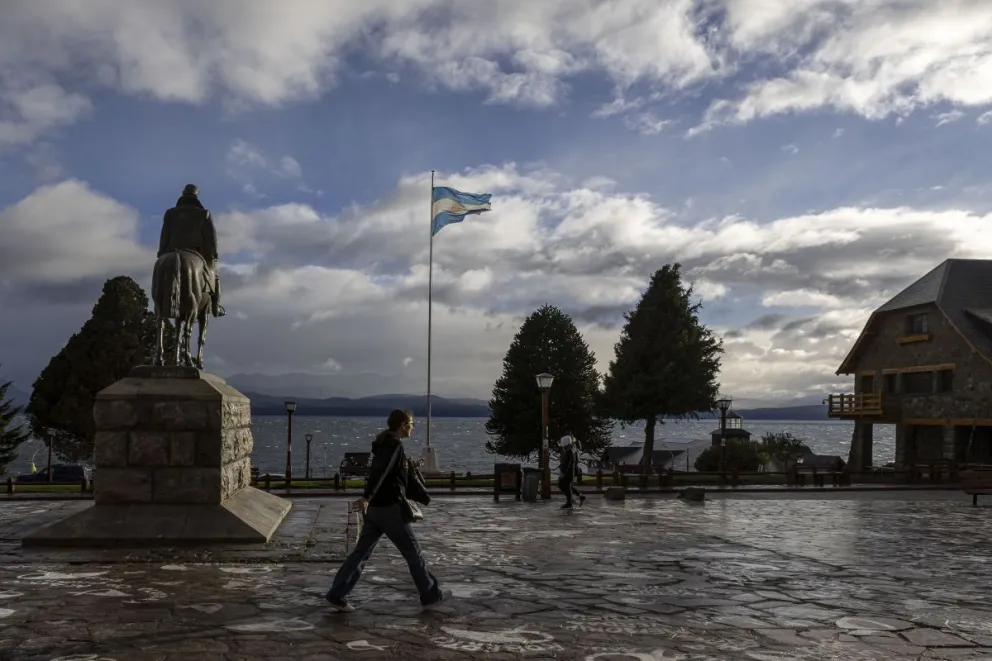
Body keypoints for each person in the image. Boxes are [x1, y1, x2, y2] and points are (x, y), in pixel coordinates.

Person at [325, 409, 446, 612]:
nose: (413, 428)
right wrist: (367, 497)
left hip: (375, 510)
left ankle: (337, 594)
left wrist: (409, 466)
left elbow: (387, 471)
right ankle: (430, 594)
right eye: (411, 424)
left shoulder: (384, 443)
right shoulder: (394, 444)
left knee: (360, 553)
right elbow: (382, 472)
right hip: (389, 508)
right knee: (413, 551)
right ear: (402, 424)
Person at [157, 184, 225, 317]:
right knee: (215, 277)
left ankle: (159, 305)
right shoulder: (204, 213)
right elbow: (211, 238)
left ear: (183, 194)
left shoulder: (170, 213)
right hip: (196, 252)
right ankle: (216, 307)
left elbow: (164, 234)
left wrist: (161, 251)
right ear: (196, 196)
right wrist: (213, 255)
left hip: (170, 251)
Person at [558, 435, 586, 509]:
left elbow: (568, 463)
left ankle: (569, 503)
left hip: (568, 471)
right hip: (571, 471)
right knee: (565, 486)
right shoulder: (572, 448)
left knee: (564, 486)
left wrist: (563, 472)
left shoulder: (569, 450)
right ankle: (579, 496)